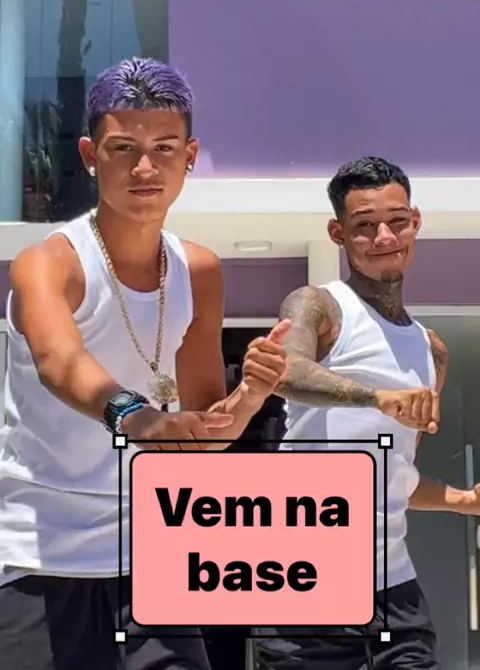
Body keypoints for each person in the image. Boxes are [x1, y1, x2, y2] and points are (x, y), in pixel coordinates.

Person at [0, 57, 289, 670]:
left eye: (164, 148)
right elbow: (60, 362)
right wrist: (136, 417)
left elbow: (199, 437)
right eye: (124, 148)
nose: (145, 167)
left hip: (149, 558)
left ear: (190, 156)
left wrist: (249, 399)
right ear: (90, 154)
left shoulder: (199, 271)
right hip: (38, 558)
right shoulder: (49, 263)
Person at [253, 156, 480, 670]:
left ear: (415, 221)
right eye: (364, 225)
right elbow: (287, 372)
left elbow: (396, 480)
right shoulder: (318, 306)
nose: (384, 237)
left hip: (395, 594)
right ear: (338, 233)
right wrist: (376, 397)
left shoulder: (431, 350)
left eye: (397, 221)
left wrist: (463, 501)